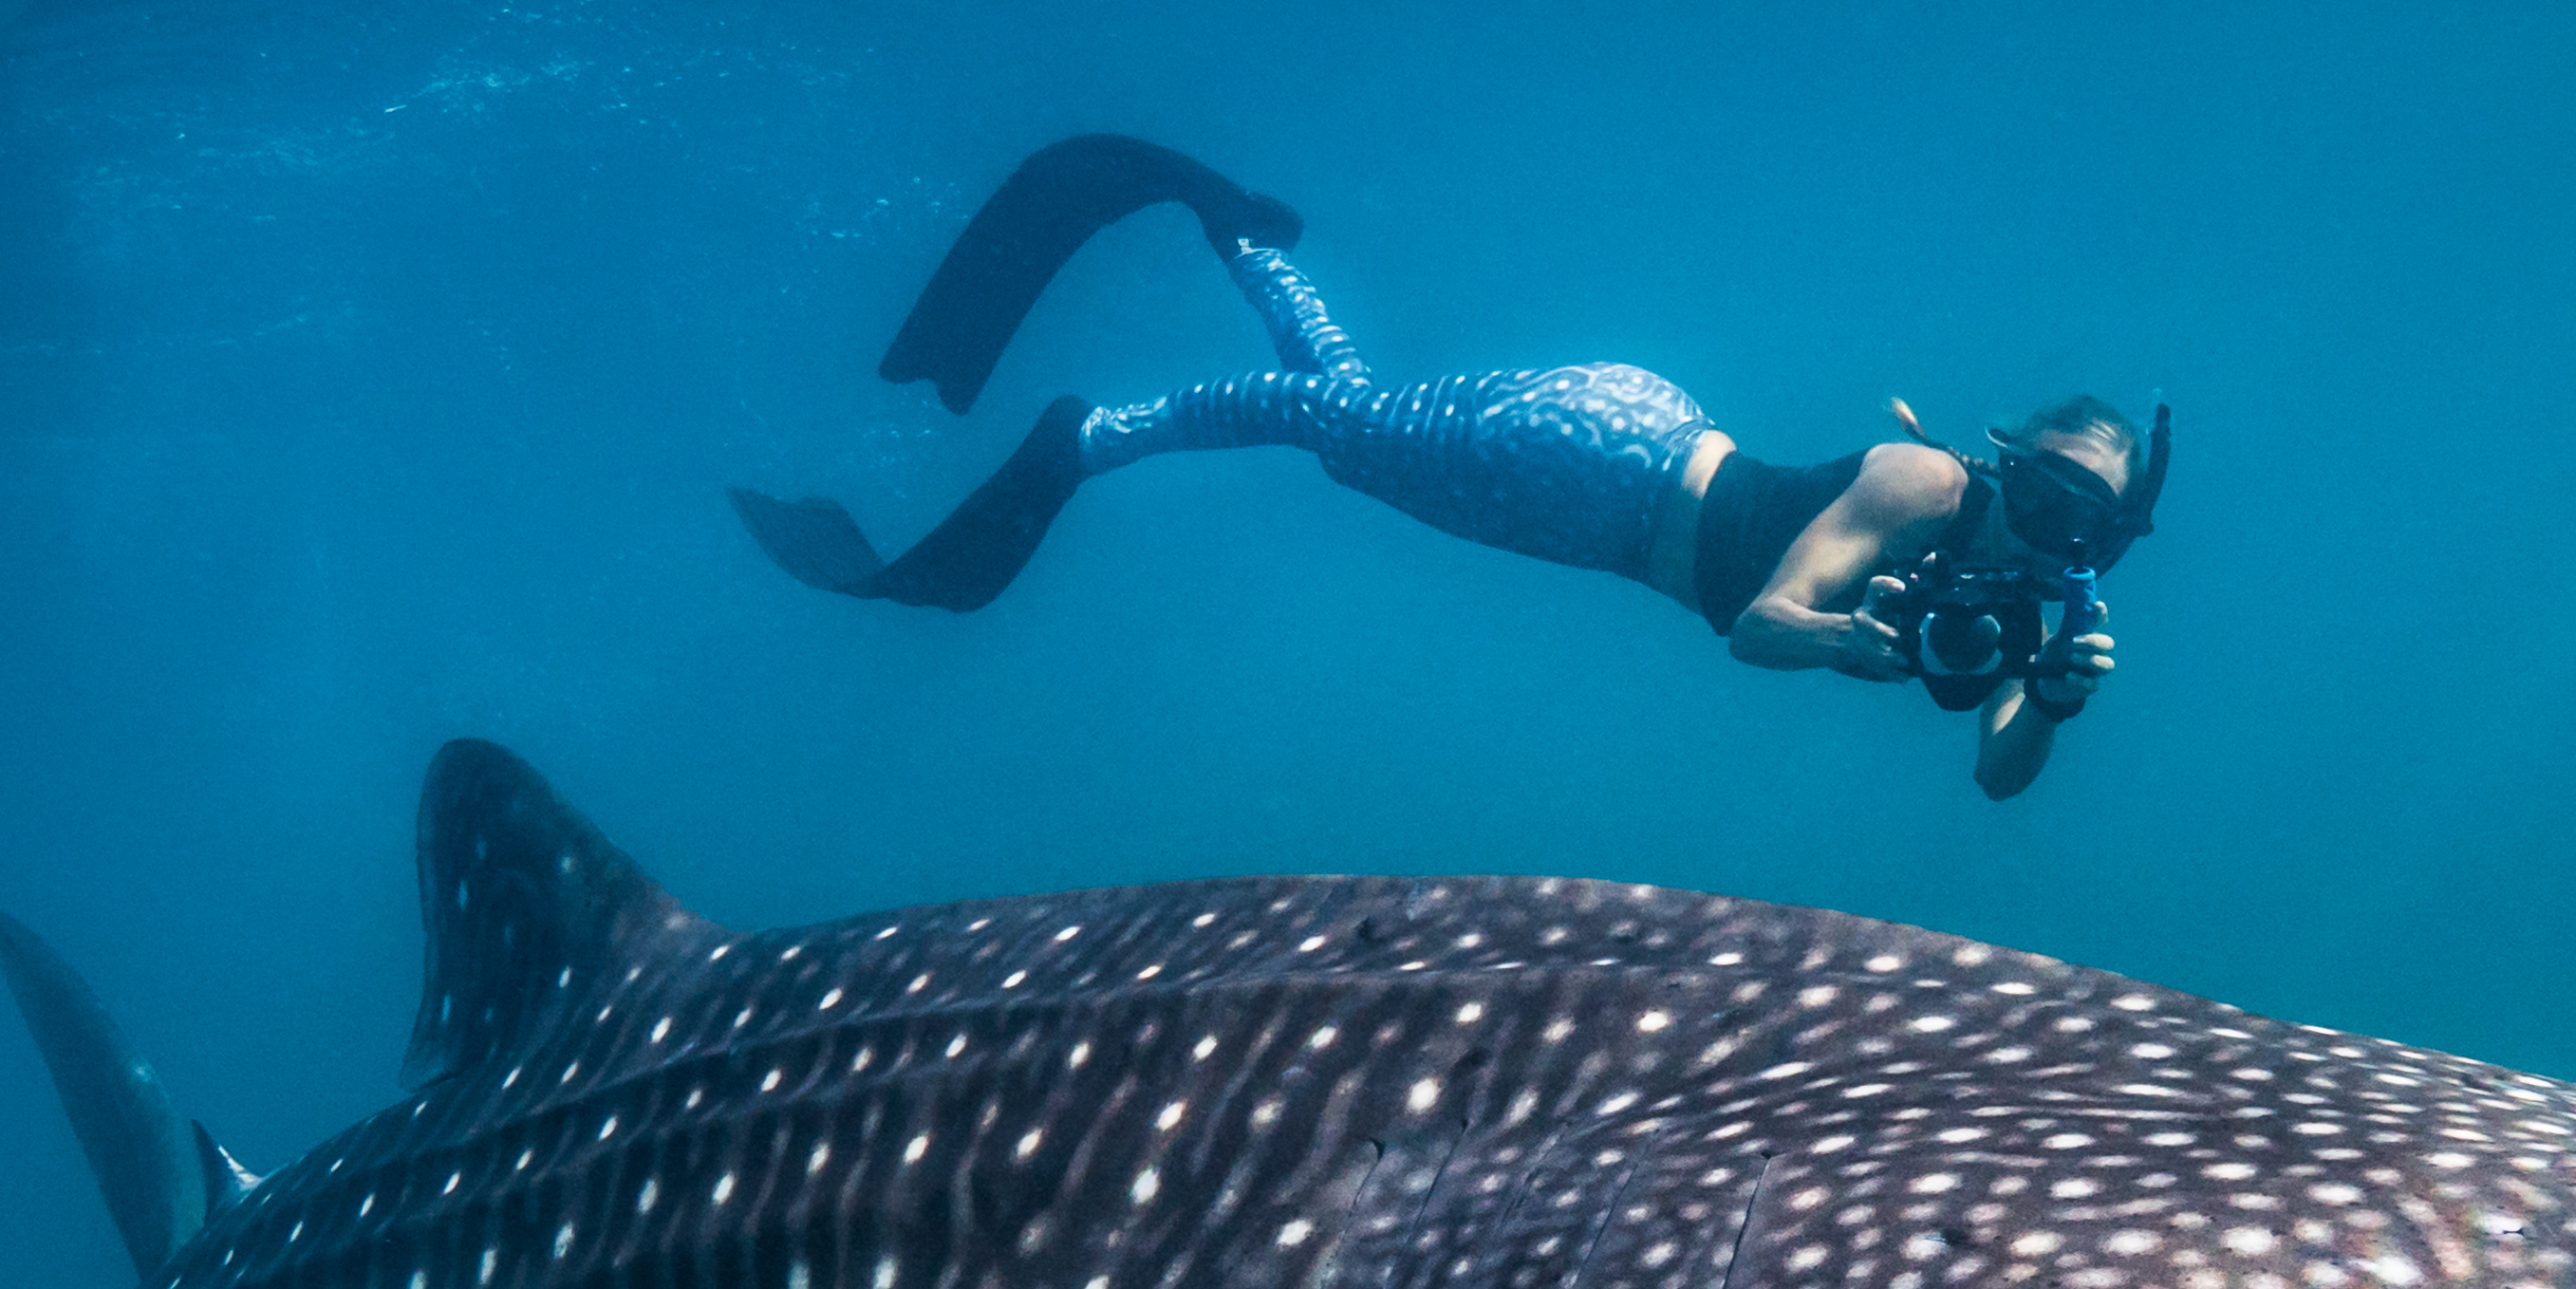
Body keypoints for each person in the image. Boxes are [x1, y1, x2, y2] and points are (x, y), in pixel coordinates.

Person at [731, 137, 2165, 800]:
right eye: (2041, 492)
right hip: (1600, 473)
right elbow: (1759, 626)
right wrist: (1846, 640)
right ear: (2002, 462)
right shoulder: (1925, 488)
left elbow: (1997, 781)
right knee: (1336, 434)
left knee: (1350, 418)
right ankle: (1093, 431)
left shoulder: (2051, 603)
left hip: (1618, 449)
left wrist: (2048, 699)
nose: (2050, 531)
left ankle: (1235, 231)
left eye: (2084, 520)